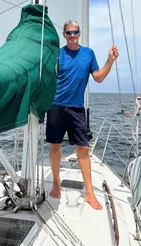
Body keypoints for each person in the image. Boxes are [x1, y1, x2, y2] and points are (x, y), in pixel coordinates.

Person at [46, 20, 118, 210]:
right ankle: (55, 182)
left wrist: (110, 61)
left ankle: (89, 192)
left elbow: (99, 78)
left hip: (77, 108)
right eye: (69, 33)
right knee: (54, 146)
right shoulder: (57, 55)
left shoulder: (88, 53)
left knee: (83, 149)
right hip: (56, 106)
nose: (72, 35)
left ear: (79, 33)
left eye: (75, 32)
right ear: (64, 35)